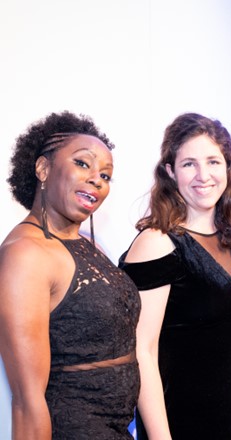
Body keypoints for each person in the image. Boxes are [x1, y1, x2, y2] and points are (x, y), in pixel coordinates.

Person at [119, 113, 231, 439]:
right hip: (185, 419)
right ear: (170, 171)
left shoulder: (228, 238)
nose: (203, 175)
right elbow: (142, 350)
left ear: (228, 167)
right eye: (188, 164)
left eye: (213, 162)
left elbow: (229, 321)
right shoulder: (157, 241)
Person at [0, 112, 139, 439]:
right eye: (83, 164)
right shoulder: (25, 255)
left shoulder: (90, 244)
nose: (97, 179)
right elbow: (27, 401)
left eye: (106, 175)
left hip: (118, 428)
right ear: (43, 169)